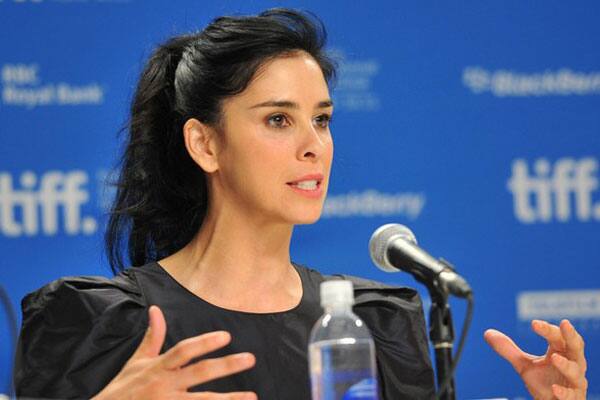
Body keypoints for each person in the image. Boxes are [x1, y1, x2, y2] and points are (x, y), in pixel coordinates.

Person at [13, 8, 588, 400]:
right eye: (279, 119)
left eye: (322, 119)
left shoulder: (377, 322)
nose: (313, 145)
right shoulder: (103, 323)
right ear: (205, 143)